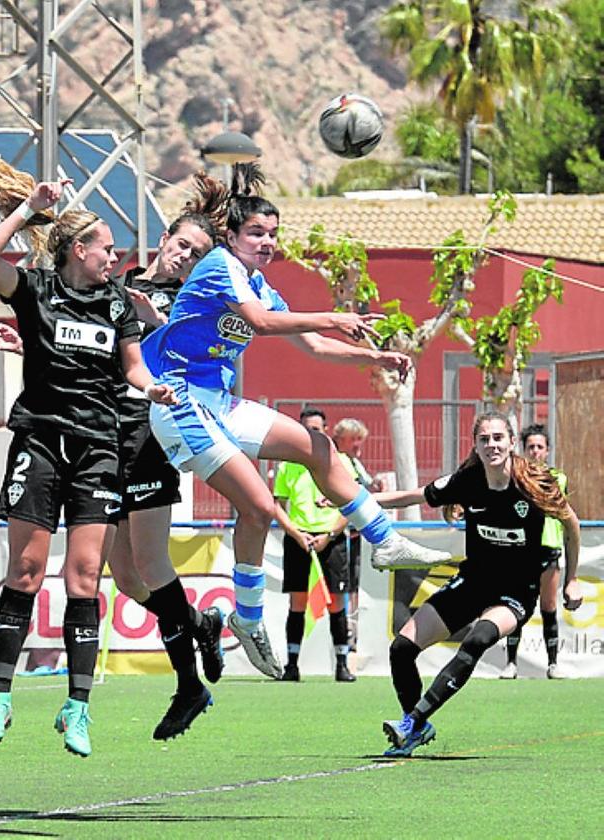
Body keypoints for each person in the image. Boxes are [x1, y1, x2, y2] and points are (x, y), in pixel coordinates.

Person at [141, 163, 450, 680]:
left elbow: (311, 344)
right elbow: (262, 325)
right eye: (257, 233)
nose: (267, 242)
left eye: (273, 235)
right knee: (260, 508)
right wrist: (333, 315)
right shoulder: (218, 264)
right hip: (180, 403)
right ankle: (249, 620)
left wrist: (374, 358)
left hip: (216, 400)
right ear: (233, 236)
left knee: (317, 445)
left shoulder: (259, 282)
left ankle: (384, 539)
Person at [0, 176, 228, 742]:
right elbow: (81, 345)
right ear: (165, 239)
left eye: (197, 255)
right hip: (92, 437)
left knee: (147, 564)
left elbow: (165, 361)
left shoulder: (193, 308)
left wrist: (157, 333)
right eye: (182, 245)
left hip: (142, 441)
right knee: (124, 577)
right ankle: (198, 623)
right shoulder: (114, 285)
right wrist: (30, 344)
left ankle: (188, 682)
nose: (184, 257)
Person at [0, 142, 176, 757]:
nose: (115, 258)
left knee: (85, 579)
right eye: (107, 248)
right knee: (25, 572)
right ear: (80, 250)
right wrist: (29, 207)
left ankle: (77, 708)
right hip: (41, 440)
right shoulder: (36, 290)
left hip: (99, 446)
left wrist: (151, 386)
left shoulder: (118, 304)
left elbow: (132, 366)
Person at [374, 412, 581, 756]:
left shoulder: (535, 481)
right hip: (472, 583)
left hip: (515, 593)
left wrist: (571, 581)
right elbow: (413, 496)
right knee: (401, 649)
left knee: (478, 638)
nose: (492, 445)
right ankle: (417, 728)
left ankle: (411, 722)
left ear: (512, 443)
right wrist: (357, 501)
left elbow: (571, 526)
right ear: (475, 445)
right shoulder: (466, 481)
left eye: (498, 438)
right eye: (484, 439)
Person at [271, 407, 354, 682]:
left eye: (316, 429)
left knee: (336, 603)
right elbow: (278, 506)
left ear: (325, 431)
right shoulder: (287, 465)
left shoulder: (341, 461)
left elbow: (351, 505)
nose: (310, 434)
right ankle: (292, 665)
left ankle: (342, 665)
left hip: (331, 540)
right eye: (306, 429)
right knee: (298, 602)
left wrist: (329, 535)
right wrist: (296, 534)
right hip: (299, 540)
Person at [499, 423, 571, 679]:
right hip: (521, 550)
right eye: (531, 447)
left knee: (549, 606)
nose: (535, 452)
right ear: (523, 449)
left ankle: (553, 663)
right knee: (515, 606)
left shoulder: (557, 478)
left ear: (547, 451)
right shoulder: (515, 477)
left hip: (549, 547)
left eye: (540, 447)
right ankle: (510, 663)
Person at [331, 417, 380, 653]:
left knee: (355, 586)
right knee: (342, 590)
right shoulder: (335, 461)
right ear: (341, 439)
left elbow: (366, 487)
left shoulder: (354, 462)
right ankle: (345, 635)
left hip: (355, 534)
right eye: (354, 439)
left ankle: (353, 632)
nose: (359, 445)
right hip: (336, 534)